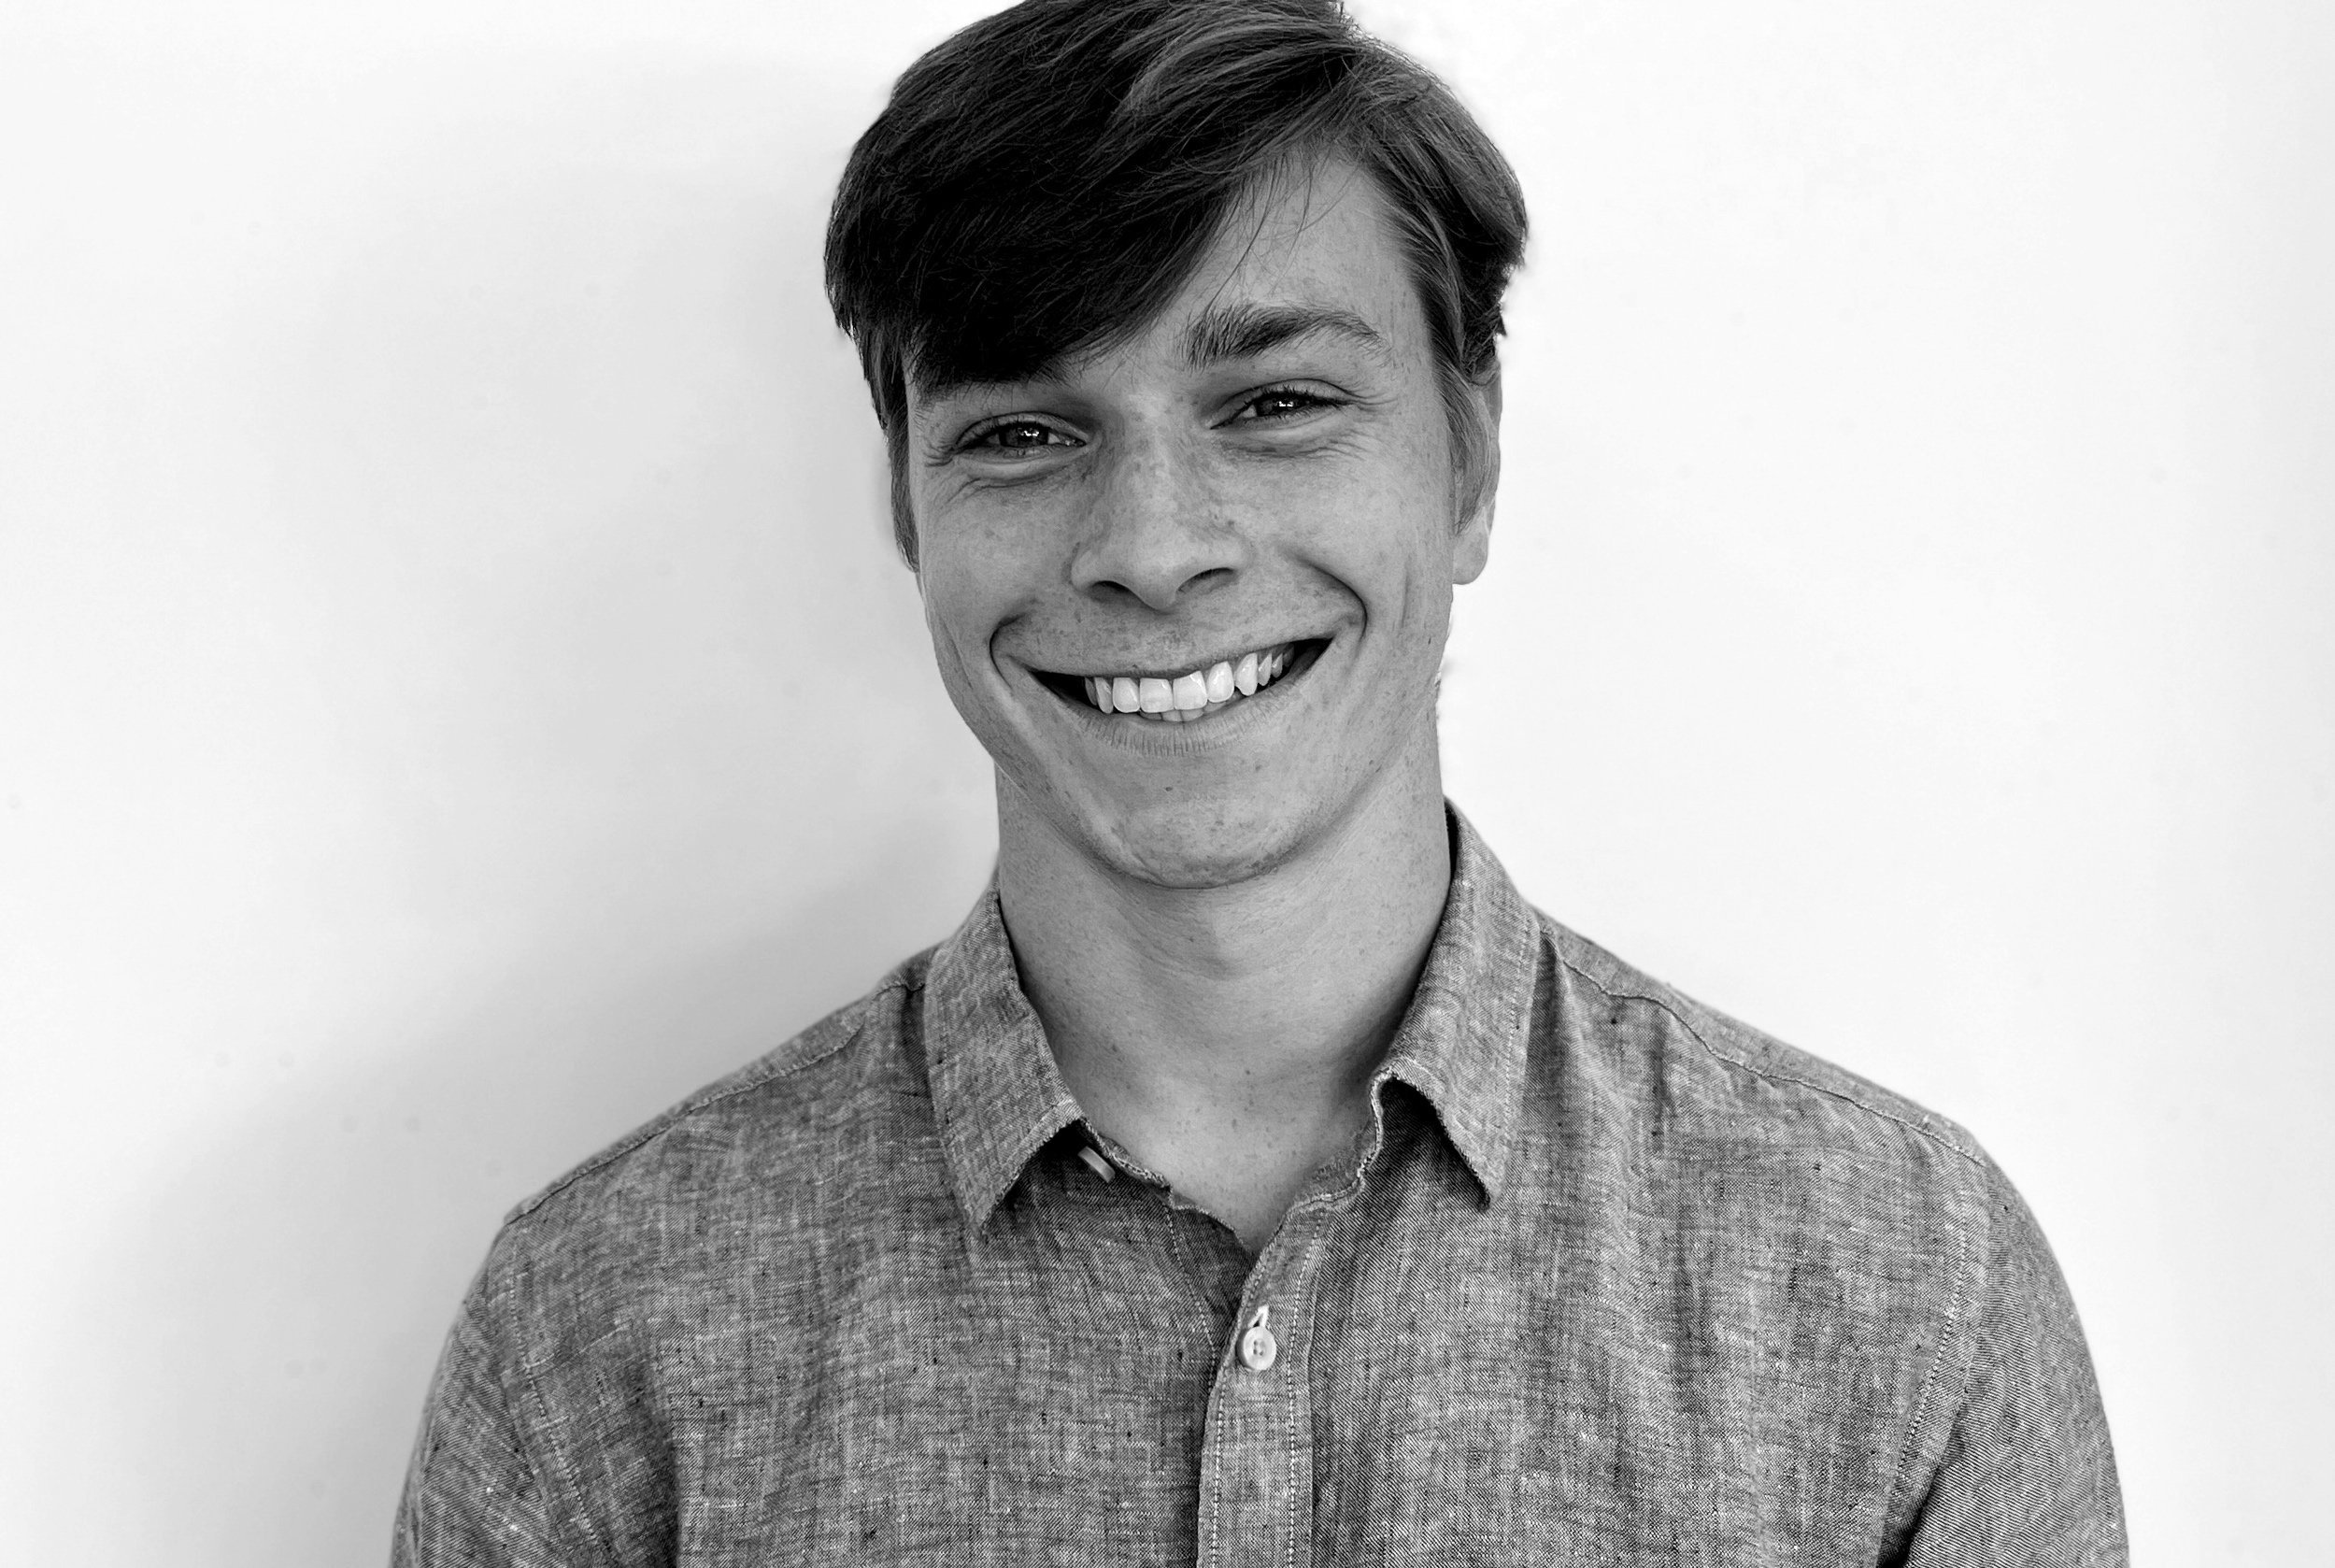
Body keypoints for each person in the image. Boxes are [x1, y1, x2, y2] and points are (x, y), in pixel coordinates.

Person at [393, 1, 2125, 1561]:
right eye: (1021, 431)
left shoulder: (1899, 1291)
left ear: (1469, 458)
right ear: (906, 507)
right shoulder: (603, 1333)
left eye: (1278, 401)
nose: (1153, 548)